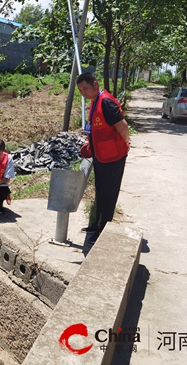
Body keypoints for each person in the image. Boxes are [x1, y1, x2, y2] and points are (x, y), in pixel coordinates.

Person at [76, 72, 130, 245]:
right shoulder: (95, 101)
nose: (83, 92)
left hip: (113, 157)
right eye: (80, 90)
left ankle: (102, 231)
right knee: (100, 191)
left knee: (108, 195)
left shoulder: (106, 101)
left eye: (85, 88)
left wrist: (125, 145)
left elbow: (122, 127)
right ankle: (96, 225)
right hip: (101, 156)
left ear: (95, 84)